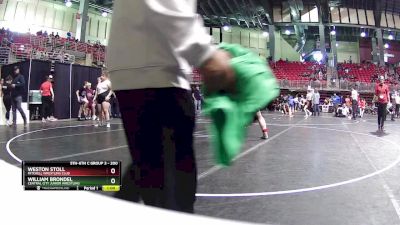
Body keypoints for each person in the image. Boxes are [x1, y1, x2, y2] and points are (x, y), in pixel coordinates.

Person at [107, 0, 234, 213]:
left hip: (140, 66)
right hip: (158, 71)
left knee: (146, 169)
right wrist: (206, 54)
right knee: (173, 193)